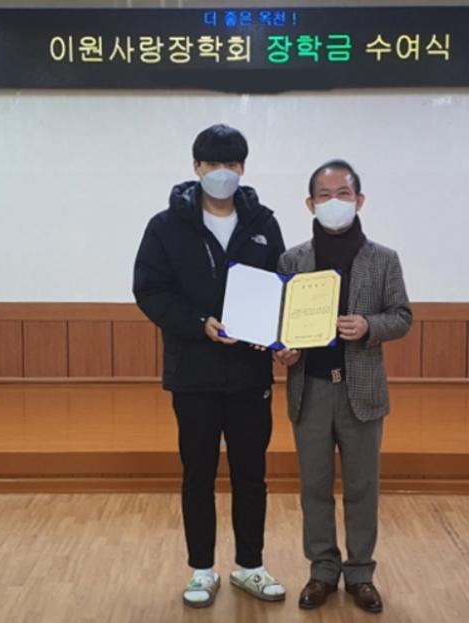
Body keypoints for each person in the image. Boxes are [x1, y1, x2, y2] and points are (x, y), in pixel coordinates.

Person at [133, 124, 286, 608]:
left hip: (250, 375)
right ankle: (201, 570)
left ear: (243, 167)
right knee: (197, 474)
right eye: (214, 163)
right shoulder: (165, 225)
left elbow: (280, 286)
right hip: (193, 374)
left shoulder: (263, 223)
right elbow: (150, 290)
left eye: (232, 163)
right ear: (196, 167)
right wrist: (199, 323)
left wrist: (278, 334)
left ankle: (251, 566)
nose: (223, 172)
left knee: (251, 474)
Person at [275, 159, 412, 614]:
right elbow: (281, 325)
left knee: (361, 488)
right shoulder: (292, 260)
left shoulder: (384, 259)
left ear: (359, 200)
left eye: (344, 194)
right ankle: (322, 571)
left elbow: (402, 316)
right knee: (314, 487)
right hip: (310, 390)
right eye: (325, 195)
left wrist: (370, 326)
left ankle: (360, 574)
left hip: (362, 392)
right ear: (310, 203)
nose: (334, 202)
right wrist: (284, 350)